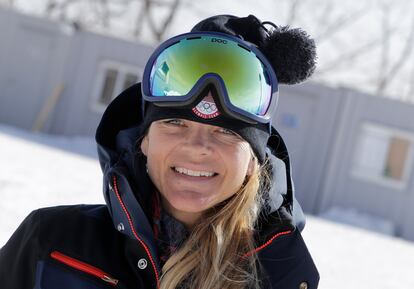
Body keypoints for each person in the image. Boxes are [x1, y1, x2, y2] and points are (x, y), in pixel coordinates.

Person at [0, 14, 319, 289]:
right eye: (176, 123)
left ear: (254, 161)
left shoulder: (282, 278)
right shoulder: (53, 244)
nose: (197, 148)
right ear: (145, 140)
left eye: (224, 131)